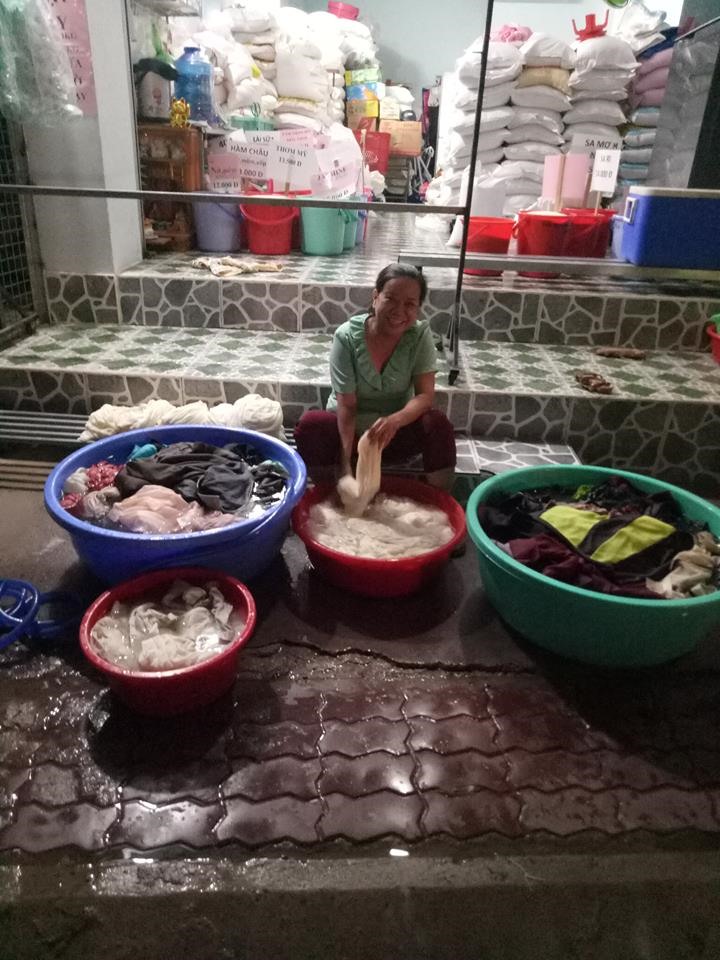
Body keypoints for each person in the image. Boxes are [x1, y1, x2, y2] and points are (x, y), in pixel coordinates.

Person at [295, 263, 457, 488]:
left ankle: (440, 499)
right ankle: (327, 493)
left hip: (393, 435)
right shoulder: (346, 337)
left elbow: (425, 396)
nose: (399, 311)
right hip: (350, 436)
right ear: (375, 297)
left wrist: (394, 421)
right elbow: (347, 405)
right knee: (311, 425)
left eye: (410, 304)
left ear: (418, 308)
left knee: (437, 424)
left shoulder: (419, 336)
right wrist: (345, 463)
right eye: (390, 299)